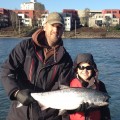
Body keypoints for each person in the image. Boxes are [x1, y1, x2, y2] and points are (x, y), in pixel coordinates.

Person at [1, 12, 73, 120]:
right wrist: (16, 92)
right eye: (52, 25)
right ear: (44, 26)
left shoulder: (66, 60)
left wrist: (75, 106)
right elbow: (7, 70)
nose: (56, 30)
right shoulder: (25, 47)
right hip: (19, 114)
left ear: (63, 30)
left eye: (59, 27)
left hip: (48, 116)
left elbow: (63, 88)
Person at [69, 53, 111, 120]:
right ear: (77, 69)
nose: (85, 71)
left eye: (88, 68)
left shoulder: (100, 85)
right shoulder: (69, 84)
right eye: (81, 67)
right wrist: (74, 109)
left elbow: (105, 111)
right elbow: (64, 113)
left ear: (93, 69)